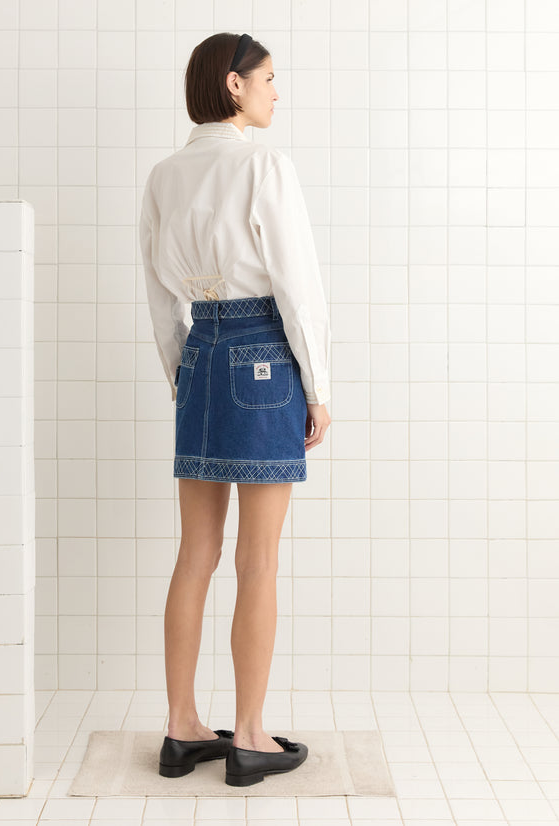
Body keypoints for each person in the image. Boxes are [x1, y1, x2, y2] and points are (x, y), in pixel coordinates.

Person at [138, 32, 331, 787]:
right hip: (262, 356)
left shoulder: (162, 175)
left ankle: (183, 727)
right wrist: (318, 386)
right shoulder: (262, 165)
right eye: (270, 79)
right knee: (258, 560)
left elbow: (158, 300)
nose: (277, 92)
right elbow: (298, 289)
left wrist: (182, 375)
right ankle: (250, 737)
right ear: (234, 85)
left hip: (200, 356)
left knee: (195, 554)